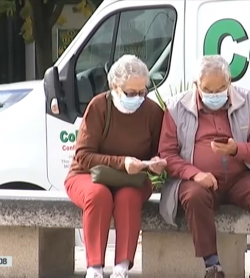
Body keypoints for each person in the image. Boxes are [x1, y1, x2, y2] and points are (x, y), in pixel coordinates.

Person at [158, 55, 250, 278]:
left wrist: (236, 150)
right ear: (196, 86)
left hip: (241, 176)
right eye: (208, 90)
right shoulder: (176, 108)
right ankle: (212, 266)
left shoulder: (248, 102)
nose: (215, 95)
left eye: (221, 88)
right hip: (198, 180)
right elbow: (167, 155)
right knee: (194, 197)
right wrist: (195, 174)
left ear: (229, 81)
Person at [65, 54, 166, 278]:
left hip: (134, 179)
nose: (138, 97)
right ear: (114, 87)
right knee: (98, 195)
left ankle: (122, 267)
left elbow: (161, 151)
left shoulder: (152, 111)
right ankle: (95, 268)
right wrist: (122, 162)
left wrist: (157, 163)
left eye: (143, 92)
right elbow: (83, 155)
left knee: (128, 198)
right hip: (87, 175)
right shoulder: (99, 106)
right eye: (131, 93)